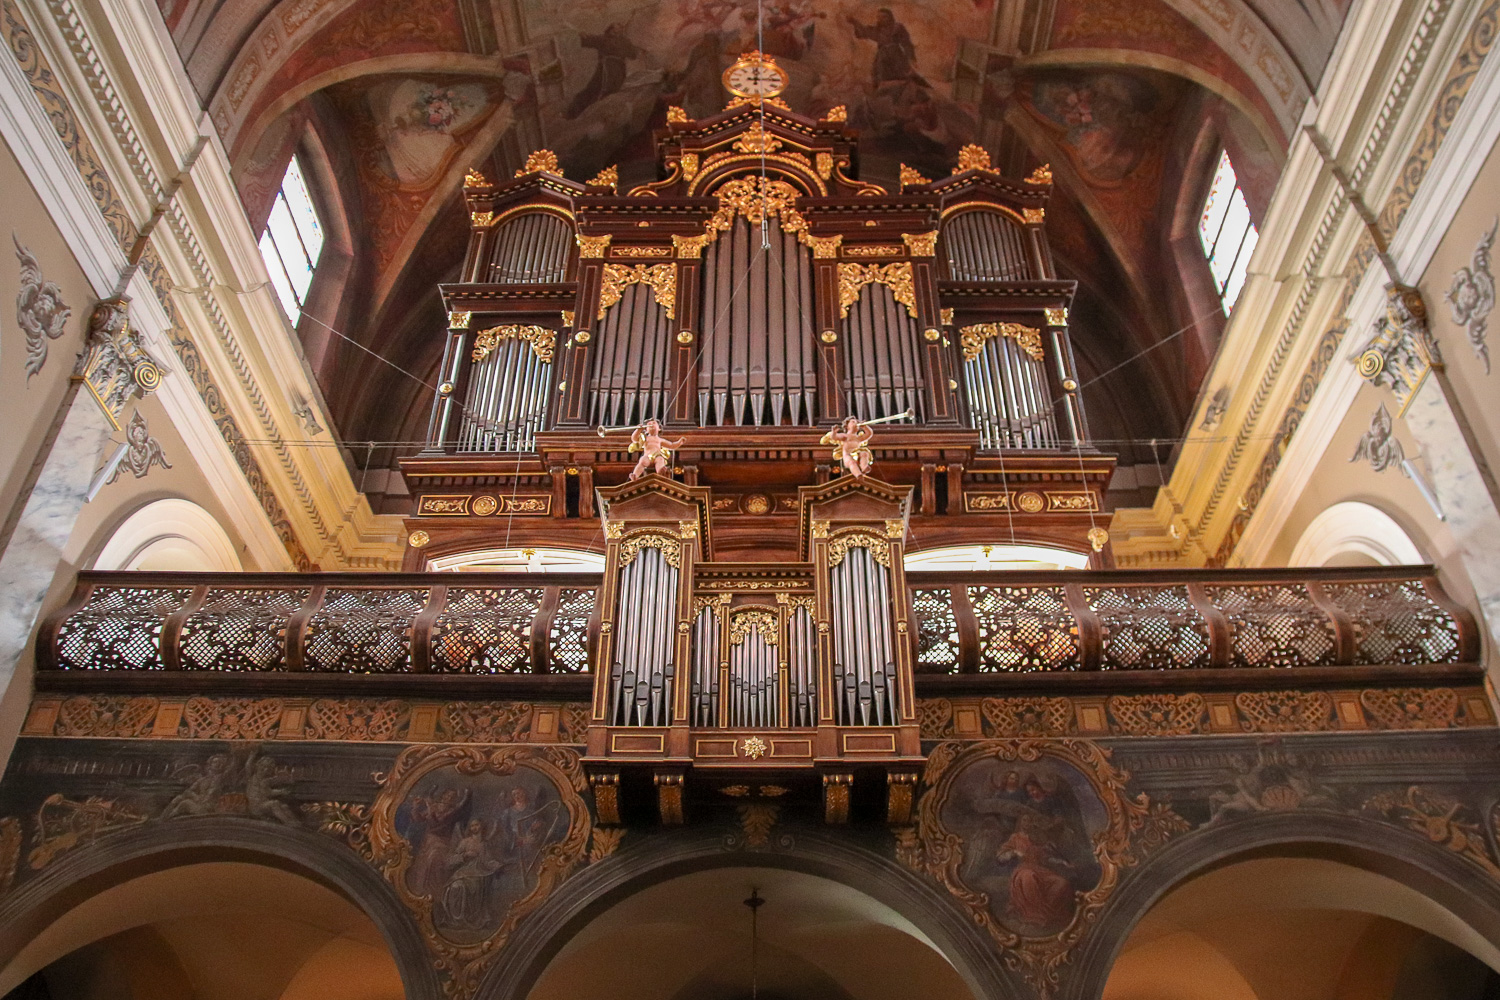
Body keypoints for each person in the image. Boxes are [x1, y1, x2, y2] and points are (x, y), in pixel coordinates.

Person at [845, 8, 918, 88]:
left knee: (901, 79)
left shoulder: (897, 27)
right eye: (879, 17)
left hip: (896, 56)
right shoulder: (877, 29)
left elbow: (906, 43)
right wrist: (854, 22)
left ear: (890, 17)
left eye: (884, 17)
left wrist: (911, 58)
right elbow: (864, 32)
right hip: (882, 57)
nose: (881, 19)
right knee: (880, 78)